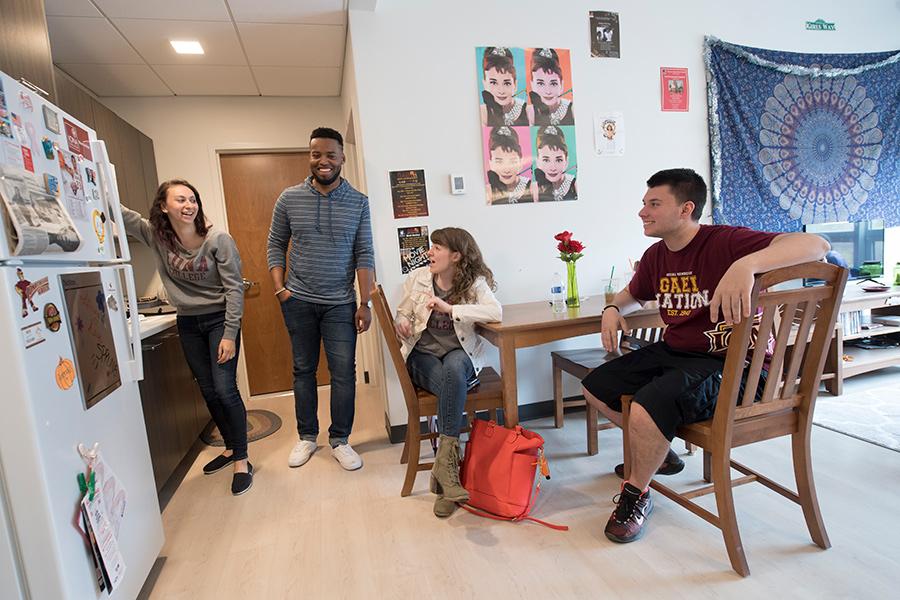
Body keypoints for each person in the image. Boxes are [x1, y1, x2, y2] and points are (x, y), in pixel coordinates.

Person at [580, 168, 828, 544]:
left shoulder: (726, 242)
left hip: (736, 365)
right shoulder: (655, 256)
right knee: (596, 384)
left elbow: (817, 244)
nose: (642, 212)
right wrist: (613, 308)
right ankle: (661, 452)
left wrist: (746, 265)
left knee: (649, 405)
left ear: (686, 209)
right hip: (678, 353)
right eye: (644, 203)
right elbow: (633, 294)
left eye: (654, 204)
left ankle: (636, 494)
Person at [120, 180, 253, 495]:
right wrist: (90, 180)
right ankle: (230, 447)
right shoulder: (157, 236)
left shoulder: (218, 240)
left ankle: (242, 459)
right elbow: (123, 214)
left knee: (225, 388)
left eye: (192, 199)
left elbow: (235, 289)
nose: (189, 205)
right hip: (188, 322)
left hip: (220, 319)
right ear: (164, 206)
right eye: (180, 199)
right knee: (207, 389)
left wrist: (230, 334)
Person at [267, 127, 375, 472]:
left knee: (343, 372)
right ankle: (307, 436)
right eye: (316, 154)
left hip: (340, 303)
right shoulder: (288, 198)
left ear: (342, 157)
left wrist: (365, 303)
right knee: (303, 370)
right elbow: (275, 244)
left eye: (330, 154)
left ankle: (340, 439)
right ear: (309, 157)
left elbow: (364, 253)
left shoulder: (358, 202)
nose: (323, 161)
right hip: (298, 300)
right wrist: (280, 289)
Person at [394, 227, 501, 518]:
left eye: (437, 248)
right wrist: (402, 322)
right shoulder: (418, 278)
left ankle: (445, 476)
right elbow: (402, 312)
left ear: (456, 256)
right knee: (452, 385)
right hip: (423, 357)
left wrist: (450, 309)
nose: (430, 252)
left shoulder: (474, 283)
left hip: (459, 355)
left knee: (454, 370)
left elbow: (496, 312)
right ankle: (447, 473)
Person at [480, 47, 529, 127]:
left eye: (507, 83)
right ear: (484, 84)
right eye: (493, 83)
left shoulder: (529, 111)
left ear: (515, 85)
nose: (501, 91)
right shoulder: (482, 113)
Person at [485, 126, 533, 205]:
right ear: (491, 163)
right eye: (499, 162)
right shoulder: (486, 192)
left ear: (520, 161)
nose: (506, 170)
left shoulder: (532, 188)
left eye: (512, 161)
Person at [528, 48, 575, 126]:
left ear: (561, 84)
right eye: (540, 83)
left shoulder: (573, 110)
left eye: (553, 84)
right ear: (532, 85)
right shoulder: (529, 113)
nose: (548, 91)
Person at [534, 125, 577, 202]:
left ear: (566, 161)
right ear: (538, 162)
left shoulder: (576, 185)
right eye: (546, 160)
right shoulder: (533, 189)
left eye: (559, 160)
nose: (553, 168)